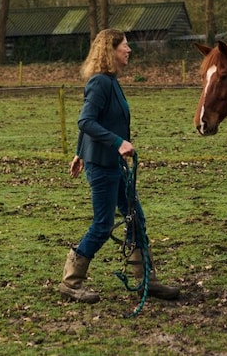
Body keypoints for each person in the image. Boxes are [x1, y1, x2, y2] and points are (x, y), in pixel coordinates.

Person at [59, 29, 180, 303]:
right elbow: (85, 121)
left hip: (113, 164)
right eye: (125, 45)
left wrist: (79, 152)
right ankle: (71, 281)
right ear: (110, 51)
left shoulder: (111, 81)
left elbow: (93, 119)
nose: (129, 50)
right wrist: (117, 142)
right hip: (102, 166)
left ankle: (146, 279)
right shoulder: (100, 83)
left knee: (135, 217)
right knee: (103, 224)